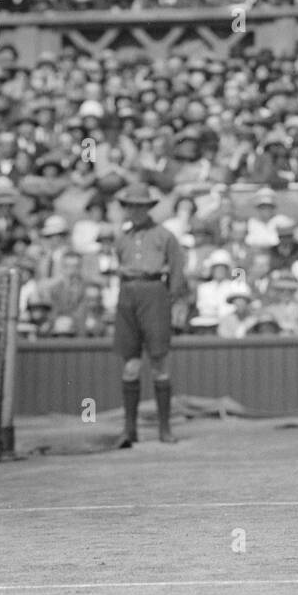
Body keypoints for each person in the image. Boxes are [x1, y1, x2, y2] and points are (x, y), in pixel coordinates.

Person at [113, 184, 188, 447]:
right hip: (127, 294)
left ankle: (165, 429)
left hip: (154, 291)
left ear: (148, 208)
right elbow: (119, 266)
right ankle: (129, 429)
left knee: (159, 361)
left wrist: (172, 299)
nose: (134, 210)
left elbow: (178, 269)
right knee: (130, 363)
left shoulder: (164, 235)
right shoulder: (121, 238)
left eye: (139, 206)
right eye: (130, 205)